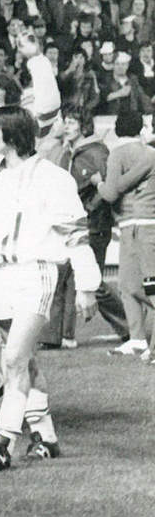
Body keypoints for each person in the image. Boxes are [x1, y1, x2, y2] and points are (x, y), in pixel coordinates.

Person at [0, 106, 99, 470]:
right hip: (0, 278)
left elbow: (76, 234)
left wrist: (88, 285)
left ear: (13, 136)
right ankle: (45, 436)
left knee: (13, 357)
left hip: (37, 273)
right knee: (25, 361)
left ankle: (3, 441)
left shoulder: (52, 178)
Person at [43, 105, 129, 348]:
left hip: (93, 225)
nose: (67, 126)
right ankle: (59, 337)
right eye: (65, 121)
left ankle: (133, 327)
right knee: (65, 276)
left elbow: (109, 186)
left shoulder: (94, 152)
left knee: (92, 282)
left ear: (83, 125)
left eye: (72, 121)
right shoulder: (70, 152)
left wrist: (89, 208)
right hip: (77, 223)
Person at [94, 109, 155, 357]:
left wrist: (96, 182)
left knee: (134, 286)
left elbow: (110, 193)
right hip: (146, 223)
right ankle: (138, 340)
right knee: (132, 284)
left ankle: (139, 338)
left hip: (134, 225)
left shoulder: (117, 153)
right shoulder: (149, 152)